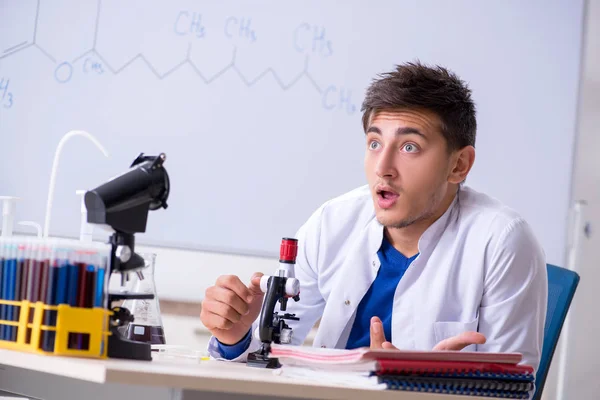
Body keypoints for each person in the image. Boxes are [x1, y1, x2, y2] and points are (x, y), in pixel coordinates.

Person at [199, 61, 548, 373]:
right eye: (375, 143)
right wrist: (236, 336)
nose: (383, 168)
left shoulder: (501, 241)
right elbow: (267, 354)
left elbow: (515, 389)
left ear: (458, 165)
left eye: (409, 147)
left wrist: (431, 385)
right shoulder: (333, 223)